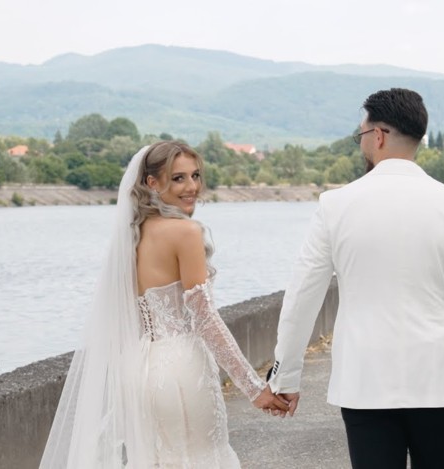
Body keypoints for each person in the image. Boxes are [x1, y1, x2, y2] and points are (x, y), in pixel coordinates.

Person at [267, 88, 444, 468]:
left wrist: (285, 379)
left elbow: (302, 297)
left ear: (377, 135)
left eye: (360, 135)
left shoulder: (335, 206)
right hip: (439, 381)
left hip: (365, 381)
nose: (362, 142)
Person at [40, 141, 288, 469]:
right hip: (183, 370)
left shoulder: (133, 235)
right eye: (178, 178)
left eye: (195, 176)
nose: (192, 187)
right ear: (152, 183)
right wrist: (254, 388)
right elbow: (205, 319)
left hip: (141, 370)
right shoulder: (186, 232)